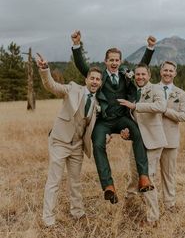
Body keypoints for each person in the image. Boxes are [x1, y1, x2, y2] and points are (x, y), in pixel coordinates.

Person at [71, 30, 156, 204]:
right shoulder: (99, 77)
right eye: (111, 60)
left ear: (120, 61)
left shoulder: (126, 75)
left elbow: (142, 68)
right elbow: (82, 67)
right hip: (104, 122)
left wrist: (150, 48)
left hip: (122, 119)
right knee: (98, 144)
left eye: (117, 60)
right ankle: (108, 186)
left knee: (138, 134)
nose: (114, 63)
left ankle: (143, 177)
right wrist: (77, 45)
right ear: (106, 61)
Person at [37, 53, 102, 227]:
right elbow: (51, 86)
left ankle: (77, 212)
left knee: (75, 181)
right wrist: (45, 70)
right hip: (59, 141)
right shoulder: (73, 89)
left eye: (98, 79)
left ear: (100, 83)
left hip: (78, 146)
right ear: (86, 79)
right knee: (54, 181)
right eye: (92, 78)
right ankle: (48, 218)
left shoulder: (97, 103)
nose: (95, 81)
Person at [117, 63, 167, 226]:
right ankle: (131, 203)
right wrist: (126, 134)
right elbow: (131, 119)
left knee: (148, 176)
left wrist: (136, 106)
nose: (140, 77)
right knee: (134, 174)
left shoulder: (156, 89)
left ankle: (153, 218)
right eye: (137, 74)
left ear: (149, 76)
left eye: (143, 74)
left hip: (153, 141)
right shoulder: (132, 92)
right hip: (137, 142)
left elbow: (161, 106)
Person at [157, 60, 185, 212]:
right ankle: (149, 204)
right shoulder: (151, 89)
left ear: (175, 73)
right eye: (165, 70)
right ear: (160, 71)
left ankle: (169, 204)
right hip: (152, 139)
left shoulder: (181, 93)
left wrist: (165, 111)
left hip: (170, 140)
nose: (168, 73)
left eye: (171, 71)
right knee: (147, 173)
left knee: (169, 174)